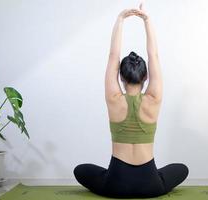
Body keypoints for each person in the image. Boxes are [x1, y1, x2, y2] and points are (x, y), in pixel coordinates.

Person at [74, 2, 189, 198]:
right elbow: (154, 56)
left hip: (116, 185)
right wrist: (147, 20)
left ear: (121, 77)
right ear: (146, 77)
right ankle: (154, 179)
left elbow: (113, 56)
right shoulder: (153, 99)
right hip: (151, 184)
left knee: (80, 170)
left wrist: (120, 20)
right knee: (182, 169)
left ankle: (111, 179)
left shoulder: (114, 99)